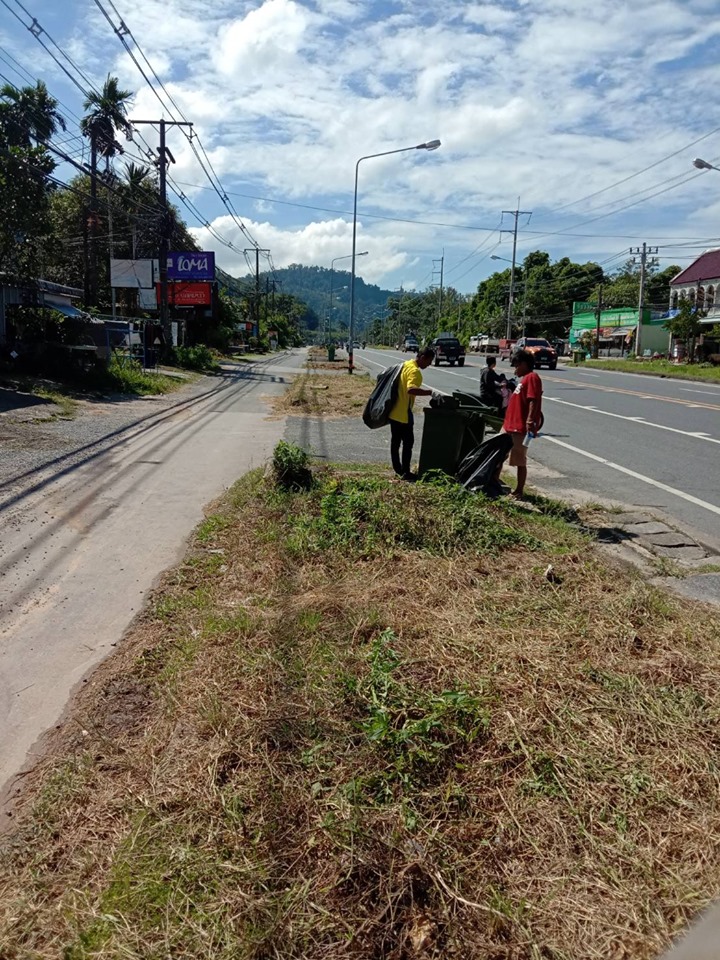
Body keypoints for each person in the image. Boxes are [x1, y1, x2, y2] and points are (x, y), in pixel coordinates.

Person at [499, 349, 543, 499]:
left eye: (516, 365)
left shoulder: (532, 378)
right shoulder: (524, 379)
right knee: (497, 454)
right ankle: (493, 481)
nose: (515, 369)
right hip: (509, 425)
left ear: (524, 364)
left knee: (519, 460)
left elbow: (533, 400)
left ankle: (518, 491)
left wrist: (530, 420)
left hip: (519, 428)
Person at [388, 346, 434, 480]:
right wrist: (430, 392)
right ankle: (405, 472)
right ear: (423, 358)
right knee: (408, 443)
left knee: (395, 442)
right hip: (403, 414)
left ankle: (398, 469)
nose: (429, 364)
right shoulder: (415, 372)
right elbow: (411, 389)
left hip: (393, 411)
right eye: (429, 361)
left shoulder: (406, 365)